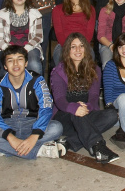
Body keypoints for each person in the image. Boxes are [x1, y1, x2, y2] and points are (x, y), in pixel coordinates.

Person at [0, 45, 65, 163]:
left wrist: (35, 135)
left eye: (19, 59)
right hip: (7, 125)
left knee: (56, 127)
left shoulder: (37, 80)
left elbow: (46, 107)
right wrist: (10, 138)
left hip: (32, 123)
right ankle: (38, 151)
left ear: (26, 63)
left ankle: (2, 149)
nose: (16, 64)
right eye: (10, 60)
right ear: (5, 66)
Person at [50, 33, 119, 163]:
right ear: (67, 50)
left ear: (86, 49)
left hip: (86, 113)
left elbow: (93, 96)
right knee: (77, 112)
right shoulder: (58, 71)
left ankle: (69, 142)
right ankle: (98, 147)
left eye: (81, 46)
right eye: (73, 47)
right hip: (64, 117)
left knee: (112, 115)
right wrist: (74, 107)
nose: (78, 50)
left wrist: (86, 107)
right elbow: (60, 100)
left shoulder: (94, 69)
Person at [0, 0, 44, 76]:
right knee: (7, 69)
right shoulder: (0, 15)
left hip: (29, 48)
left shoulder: (35, 14)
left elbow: (38, 36)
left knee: (34, 64)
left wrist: (26, 49)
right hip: (6, 49)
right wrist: (11, 50)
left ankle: (35, 90)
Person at [51, 0, 95, 66]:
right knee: (60, 58)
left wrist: (80, 48)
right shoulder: (57, 10)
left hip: (84, 46)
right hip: (64, 46)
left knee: (89, 56)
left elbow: (89, 33)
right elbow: (59, 33)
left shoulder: (90, 9)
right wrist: (70, 48)